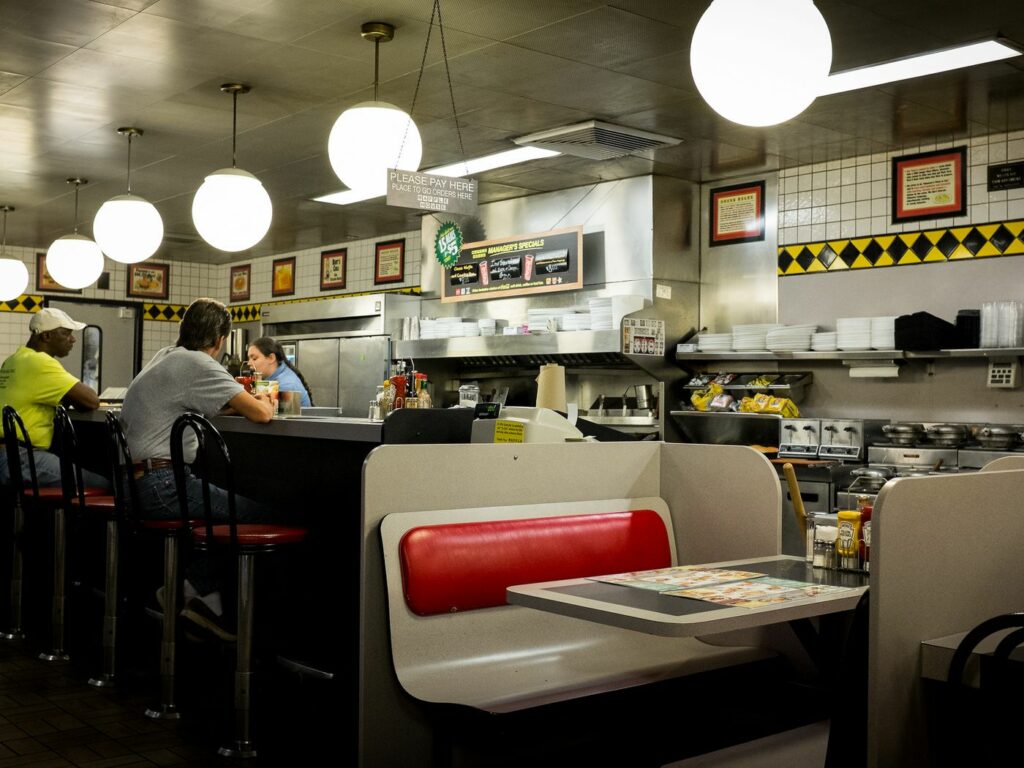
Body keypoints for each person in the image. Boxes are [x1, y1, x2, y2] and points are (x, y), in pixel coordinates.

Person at [120, 298, 274, 640]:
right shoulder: (198, 363)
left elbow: (200, 406)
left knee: (220, 515)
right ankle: (201, 595)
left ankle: (196, 593)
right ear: (220, 339)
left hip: (133, 485)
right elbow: (262, 414)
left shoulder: (166, 356)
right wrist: (263, 400)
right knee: (261, 516)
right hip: (162, 485)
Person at [0, 307, 103, 488]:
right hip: (20, 458)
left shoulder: (13, 360)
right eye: (66, 333)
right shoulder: (40, 362)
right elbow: (91, 400)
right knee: (103, 484)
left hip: (6, 454)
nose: (73, 339)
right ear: (46, 336)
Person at [247, 336, 314, 407]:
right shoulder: (272, 380)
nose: (248, 363)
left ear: (271, 358)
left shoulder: (286, 386)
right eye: (249, 359)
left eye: (254, 358)